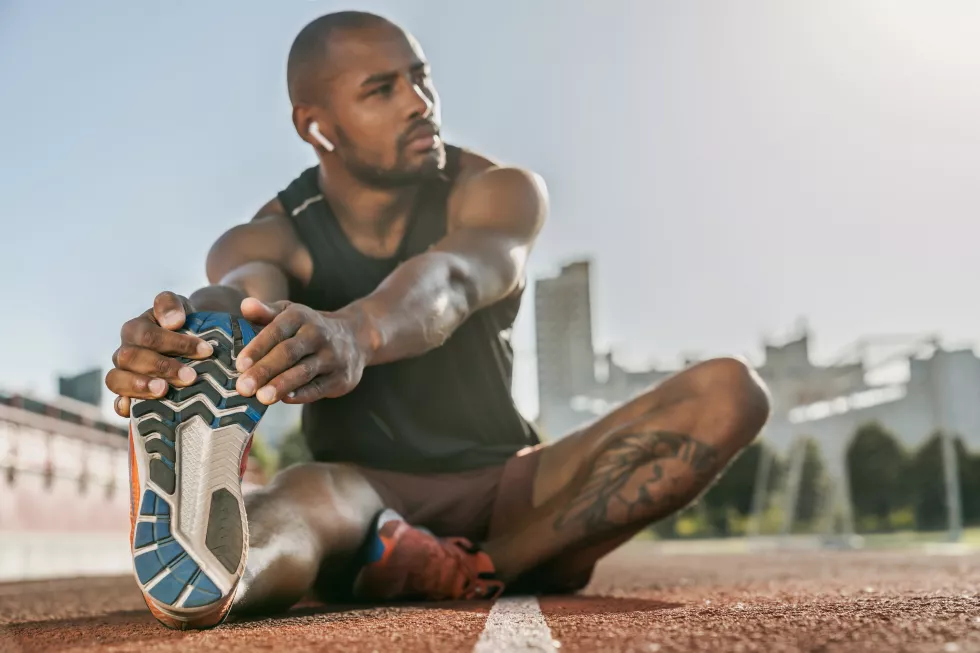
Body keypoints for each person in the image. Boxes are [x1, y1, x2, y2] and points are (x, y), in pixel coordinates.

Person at [106, 11, 771, 630]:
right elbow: (248, 295)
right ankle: (218, 573)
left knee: (730, 391)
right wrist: (186, 343)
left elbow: (448, 281)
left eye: (420, 79)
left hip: (513, 484)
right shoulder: (267, 237)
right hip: (358, 489)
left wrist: (355, 332)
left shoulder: (497, 191)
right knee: (278, 464)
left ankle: (470, 565)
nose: (420, 103)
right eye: (381, 90)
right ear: (317, 127)